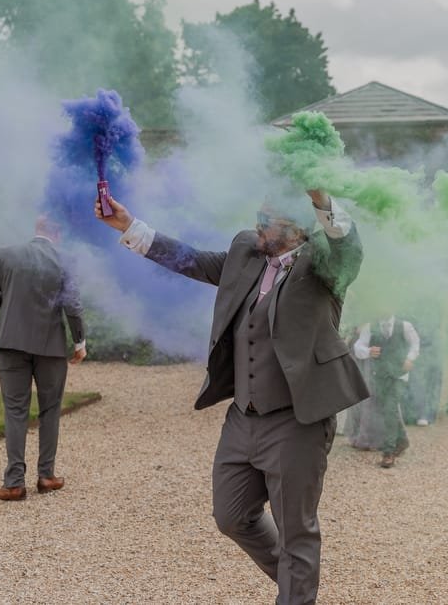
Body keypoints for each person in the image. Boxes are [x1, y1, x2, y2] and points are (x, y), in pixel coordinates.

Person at [96, 189, 366, 605]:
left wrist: (321, 197)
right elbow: (193, 260)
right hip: (243, 416)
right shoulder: (247, 251)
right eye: (258, 213)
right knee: (232, 515)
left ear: (296, 229)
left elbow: (348, 249)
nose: (258, 223)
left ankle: (297, 588)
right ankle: (297, 582)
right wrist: (129, 227)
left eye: (268, 218)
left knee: (297, 531)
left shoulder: (324, 265)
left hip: (297, 420)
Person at [0, 215, 86, 501]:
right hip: (50, 345)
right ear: (58, 233)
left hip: (10, 342)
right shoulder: (65, 259)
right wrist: (80, 342)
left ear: (37, 229)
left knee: (15, 410)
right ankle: (47, 476)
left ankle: (14, 483)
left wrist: (13, 312)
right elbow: (73, 305)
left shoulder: (7, 253)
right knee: (50, 410)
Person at [353, 315, 420, 468]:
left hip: (399, 375)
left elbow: (415, 343)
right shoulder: (370, 327)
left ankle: (388, 452)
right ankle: (402, 440)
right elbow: (358, 347)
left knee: (390, 408)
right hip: (379, 376)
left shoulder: (404, 326)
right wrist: (368, 351)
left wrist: (410, 359)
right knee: (386, 410)